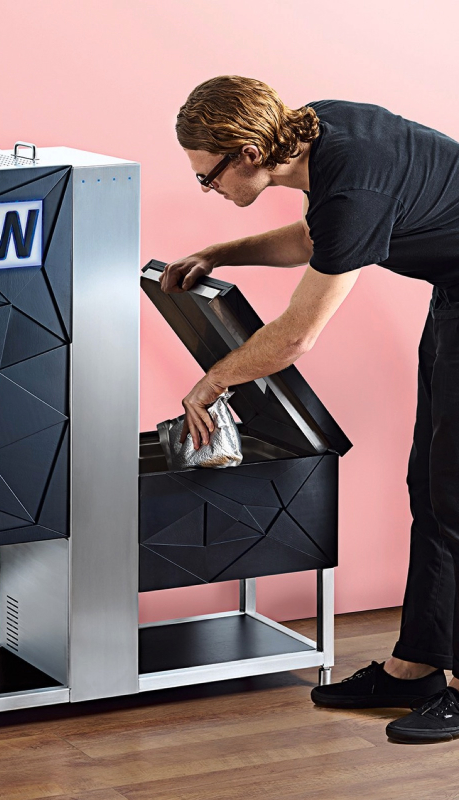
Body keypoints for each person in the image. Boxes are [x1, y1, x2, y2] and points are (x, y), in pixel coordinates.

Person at [161, 75, 459, 744]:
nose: (208, 189)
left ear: (246, 152)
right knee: (432, 488)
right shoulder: (317, 131)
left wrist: (213, 381)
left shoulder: (353, 182)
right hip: (454, 286)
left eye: (208, 177)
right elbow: (318, 238)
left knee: (458, 495)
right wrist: (218, 253)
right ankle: (414, 670)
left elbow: (297, 335)